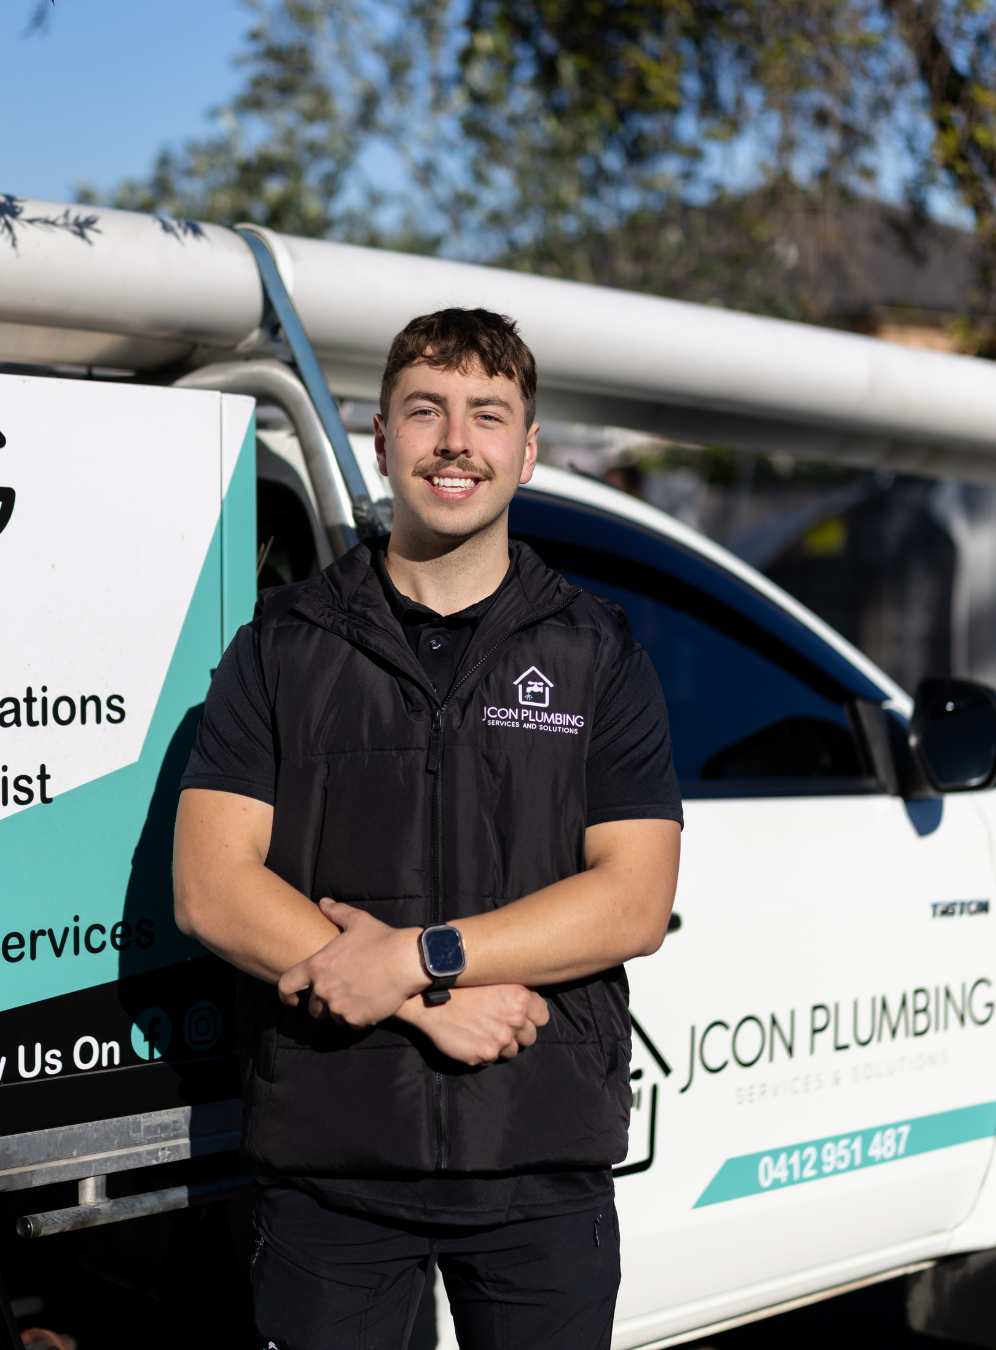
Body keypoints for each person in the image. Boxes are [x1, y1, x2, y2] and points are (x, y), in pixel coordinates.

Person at [173, 307, 682, 1350]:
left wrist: (414, 959)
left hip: (537, 1160)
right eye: (426, 411)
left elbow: (634, 899)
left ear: (528, 451)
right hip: (332, 1164)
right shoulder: (282, 647)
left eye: (488, 415)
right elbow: (212, 886)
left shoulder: (600, 652)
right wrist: (420, 1004)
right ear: (383, 440)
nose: (456, 440)